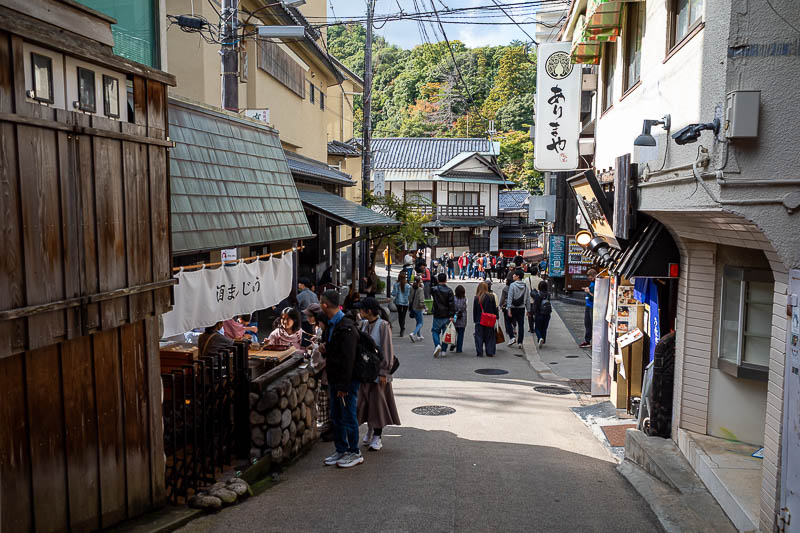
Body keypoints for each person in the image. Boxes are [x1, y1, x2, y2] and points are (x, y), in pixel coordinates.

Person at [319, 290, 363, 468]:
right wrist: (326, 348)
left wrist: (344, 385)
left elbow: (348, 359)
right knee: (336, 415)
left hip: (346, 380)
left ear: (325, 305)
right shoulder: (333, 324)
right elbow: (337, 351)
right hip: (335, 377)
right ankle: (341, 449)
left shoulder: (346, 326)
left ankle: (354, 451)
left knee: (348, 415)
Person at [356, 298, 401, 451]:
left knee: (378, 405)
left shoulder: (383, 326)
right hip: (364, 373)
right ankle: (370, 429)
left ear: (368, 311)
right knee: (364, 403)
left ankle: (377, 436)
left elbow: (387, 349)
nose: (359, 312)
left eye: (361, 309)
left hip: (378, 373)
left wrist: (384, 372)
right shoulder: (362, 325)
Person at [305, 303, 333, 441]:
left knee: (326, 403)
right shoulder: (321, 330)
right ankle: (329, 429)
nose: (308, 318)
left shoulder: (325, 331)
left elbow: (322, 356)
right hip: (328, 374)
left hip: (328, 374)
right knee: (326, 403)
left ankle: (330, 430)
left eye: (310, 316)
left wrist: (316, 347)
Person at [430, 273, 455, 358]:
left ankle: (437, 345)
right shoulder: (449, 291)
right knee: (446, 333)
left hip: (437, 313)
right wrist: (452, 315)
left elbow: (430, 285)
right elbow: (451, 304)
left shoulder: (434, 289)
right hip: (446, 314)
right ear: (446, 280)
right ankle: (444, 350)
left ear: (438, 280)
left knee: (435, 331)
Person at [473, 282, 499, 357]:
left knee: (479, 336)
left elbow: (475, 310)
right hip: (489, 319)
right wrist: (496, 317)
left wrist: (475, 320)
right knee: (490, 336)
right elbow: (494, 308)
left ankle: (479, 352)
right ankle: (490, 351)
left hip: (479, 319)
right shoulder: (491, 296)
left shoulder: (477, 298)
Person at [507, 269, 529, 348]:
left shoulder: (512, 285)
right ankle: (520, 342)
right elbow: (527, 299)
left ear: (518, 276)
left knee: (508, 322)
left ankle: (512, 337)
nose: (513, 275)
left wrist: (508, 309)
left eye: (514, 275)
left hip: (513, 307)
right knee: (521, 325)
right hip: (521, 307)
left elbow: (510, 297)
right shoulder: (525, 286)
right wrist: (528, 309)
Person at [531, 280, 553, 348]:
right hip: (547, 313)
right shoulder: (548, 295)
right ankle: (543, 339)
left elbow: (535, 306)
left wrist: (533, 313)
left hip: (539, 314)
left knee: (537, 328)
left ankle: (540, 338)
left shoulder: (538, 295)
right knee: (544, 328)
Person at [580, 269, 597, 348]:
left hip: (592, 306)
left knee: (590, 323)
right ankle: (587, 340)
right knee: (587, 323)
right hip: (588, 305)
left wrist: (588, 291)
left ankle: (591, 341)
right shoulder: (592, 283)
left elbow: (595, 297)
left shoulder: (595, 284)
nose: (589, 278)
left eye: (590, 277)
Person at [391, 272, 411, 337]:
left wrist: (391, 293)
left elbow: (394, 293)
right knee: (403, 316)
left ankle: (402, 328)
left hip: (398, 302)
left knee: (400, 315)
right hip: (405, 302)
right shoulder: (408, 286)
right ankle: (402, 328)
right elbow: (409, 295)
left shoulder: (396, 285)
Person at [499, 276, 516, 344]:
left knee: (507, 321)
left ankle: (510, 334)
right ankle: (514, 327)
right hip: (515, 305)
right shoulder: (515, 288)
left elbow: (502, 298)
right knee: (513, 318)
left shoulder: (505, 288)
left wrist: (500, 305)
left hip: (506, 306)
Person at [408, 277, 426, 343]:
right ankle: (413, 333)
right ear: (419, 282)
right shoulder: (420, 290)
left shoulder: (411, 288)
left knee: (418, 321)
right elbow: (421, 300)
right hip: (418, 308)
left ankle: (419, 335)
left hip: (412, 307)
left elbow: (409, 298)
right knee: (421, 323)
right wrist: (424, 307)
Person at [452, 285, 468, 353]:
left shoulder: (453, 298)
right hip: (462, 317)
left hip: (454, 317)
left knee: (453, 332)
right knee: (461, 334)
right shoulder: (465, 299)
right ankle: (459, 348)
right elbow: (465, 308)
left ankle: (453, 343)